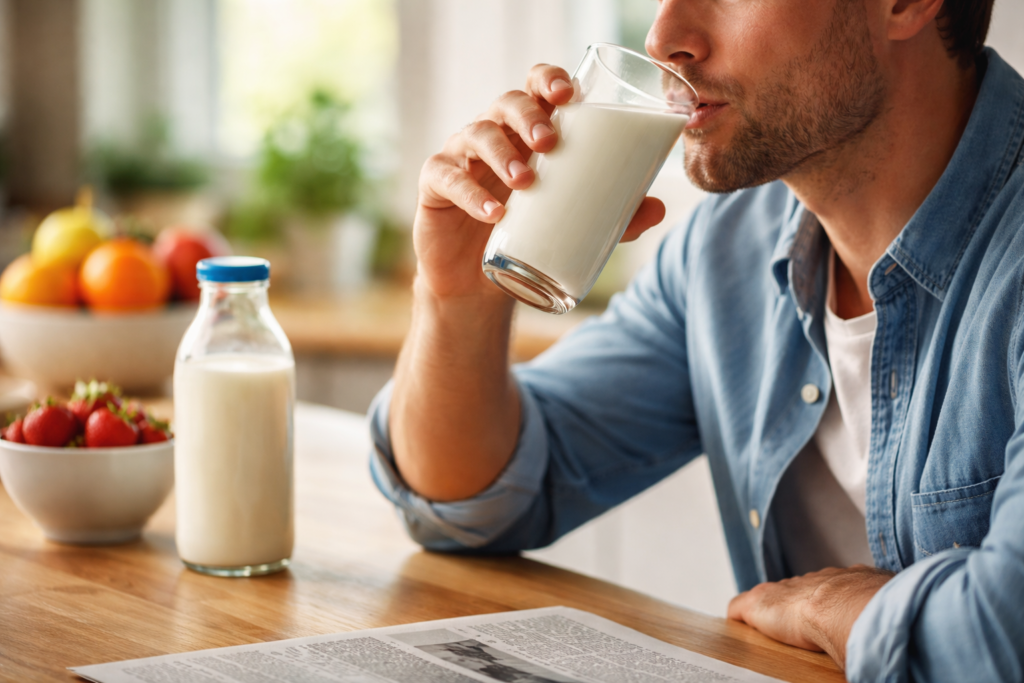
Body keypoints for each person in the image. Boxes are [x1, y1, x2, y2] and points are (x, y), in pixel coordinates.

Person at [368, 0, 1024, 679]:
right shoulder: (726, 250)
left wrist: (836, 604)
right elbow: (471, 501)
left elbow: (1004, 637)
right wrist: (455, 300)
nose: (663, 38)